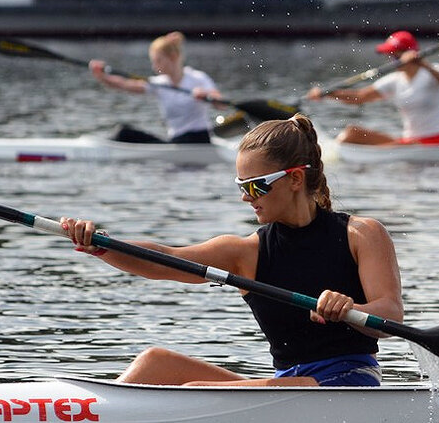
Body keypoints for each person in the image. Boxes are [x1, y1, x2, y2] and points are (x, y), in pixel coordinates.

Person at [62, 114, 404, 387]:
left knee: (196, 391)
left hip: (348, 381)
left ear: (296, 179)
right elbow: (165, 259)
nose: (245, 197)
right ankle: (89, 420)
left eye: (255, 186)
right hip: (289, 384)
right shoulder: (245, 252)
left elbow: (390, 317)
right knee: (155, 362)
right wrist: (102, 245)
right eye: (241, 186)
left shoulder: (362, 234)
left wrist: (351, 309)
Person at [305, 30, 439, 146]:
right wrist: (326, 94)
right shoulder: (394, 80)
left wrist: (422, 63)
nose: (392, 61)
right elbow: (359, 97)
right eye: (391, 57)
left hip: (437, 140)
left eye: (395, 57)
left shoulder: (432, 71)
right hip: (410, 141)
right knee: (352, 133)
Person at [88, 31, 220, 144]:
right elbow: (126, 85)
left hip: (199, 139)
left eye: (158, 61)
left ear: (173, 57)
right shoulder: (159, 84)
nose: (154, 66)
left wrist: (207, 95)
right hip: (177, 141)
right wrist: (102, 77)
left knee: (123, 133)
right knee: (125, 131)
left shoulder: (197, 78)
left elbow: (221, 104)